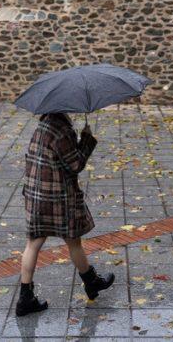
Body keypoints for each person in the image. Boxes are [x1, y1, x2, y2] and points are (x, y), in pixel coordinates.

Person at [16, 112, 115, 316]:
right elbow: (75, 165)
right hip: (57, 198)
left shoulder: (41, 127)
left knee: (33, 244)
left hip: (36, 196)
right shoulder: (61, 131)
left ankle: (25, 298)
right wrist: (86, 140)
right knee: (73, 241)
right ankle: (91, 282)